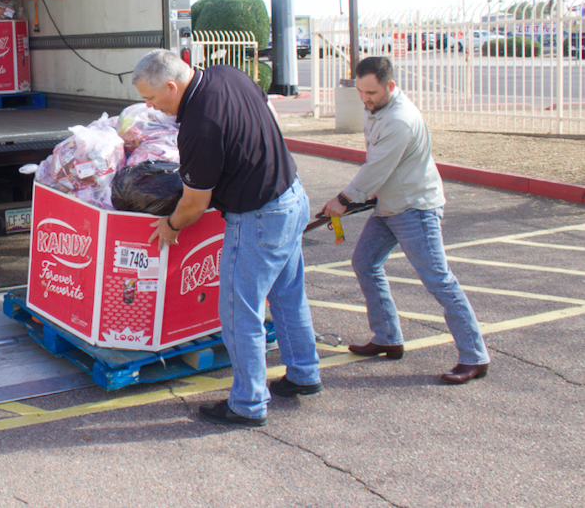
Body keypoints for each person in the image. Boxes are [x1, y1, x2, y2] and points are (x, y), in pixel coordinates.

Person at [132, 50, 321, 428]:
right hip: (291, 195)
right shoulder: (226, 74)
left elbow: (195, 203)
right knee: (287, 294)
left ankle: (248, 403)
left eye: (152, 99)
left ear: (172, 86)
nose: (152, 108)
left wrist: (170, 226)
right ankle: (304, 373)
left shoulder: (198, 127)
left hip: (259, 217)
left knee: (239, 310)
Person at [320, 56, 490, 385]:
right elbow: (382, 167)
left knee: (439, 280)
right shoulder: (377, 110)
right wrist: (364, 197)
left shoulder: (400, 118)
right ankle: (387, 337)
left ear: (391, 86)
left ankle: (474, 356)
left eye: (371, 92)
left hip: (415, 208)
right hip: (389, 204)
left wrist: (343, 200)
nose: (365, 99)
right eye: (360, 91)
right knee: (365, 261)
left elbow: (377, 168)